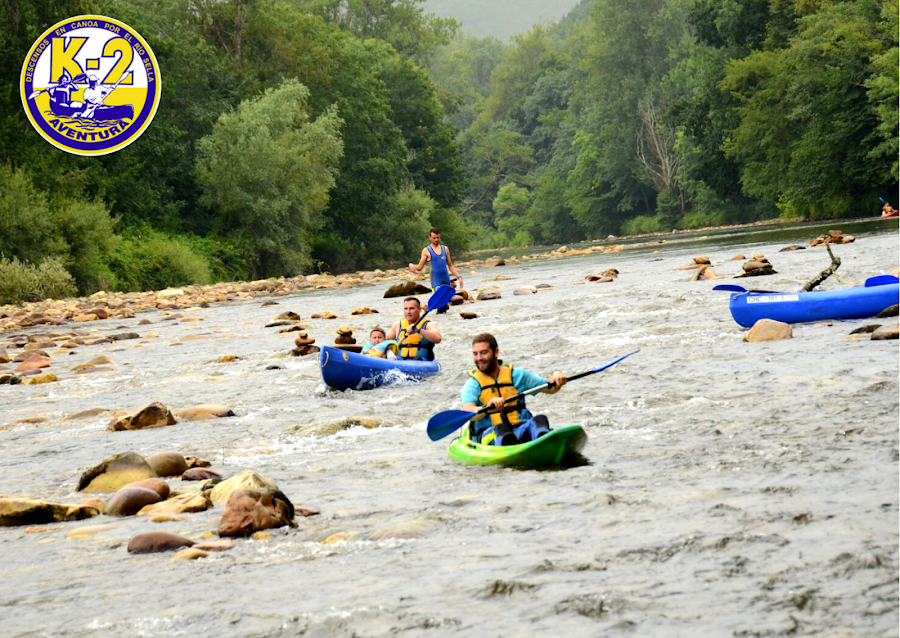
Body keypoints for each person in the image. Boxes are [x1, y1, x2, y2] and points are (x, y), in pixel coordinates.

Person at [460, 333, 566, 446]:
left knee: (540, 419)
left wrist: (556, 375)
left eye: (484, 352)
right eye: (475, 354)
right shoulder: (472, 385)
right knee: (501, 430)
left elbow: (549, 387)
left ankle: (546, 444)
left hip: (519, 429)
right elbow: (467, 411)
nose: (479, 358)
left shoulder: (518, 375)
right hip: (489, 434)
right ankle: (511, 449)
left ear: (496, 352)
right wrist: (487, 408)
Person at [409, 228, 464, 304]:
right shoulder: (426, 250)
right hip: (436, 282)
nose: (436, 240)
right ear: (429, 238)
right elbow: (419, 267)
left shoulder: (445, 249)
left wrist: (459, 277)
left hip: (446, 281)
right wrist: (411, 265)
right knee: (439, 305)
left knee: (446, 305)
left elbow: (450, 265)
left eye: (438, 237)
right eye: (434, 238)